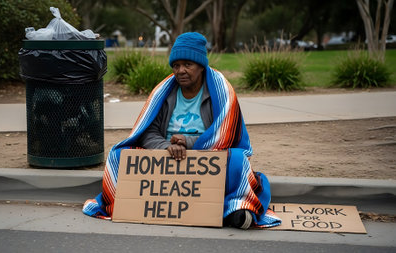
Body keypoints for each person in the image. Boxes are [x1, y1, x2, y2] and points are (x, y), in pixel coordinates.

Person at [83, 32, 281, 229]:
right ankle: (122, 206)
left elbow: (226, 132)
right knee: (118, 155)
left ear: (201, 66)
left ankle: (237, 208)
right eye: (176, 65)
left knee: (238, 160)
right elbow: (147, 133)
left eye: (188, 64)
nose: (181, 71)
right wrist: (166, 147)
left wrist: (188, 143)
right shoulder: (164, 92)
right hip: (165, 157)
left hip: (207, 154)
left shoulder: (221, 89)